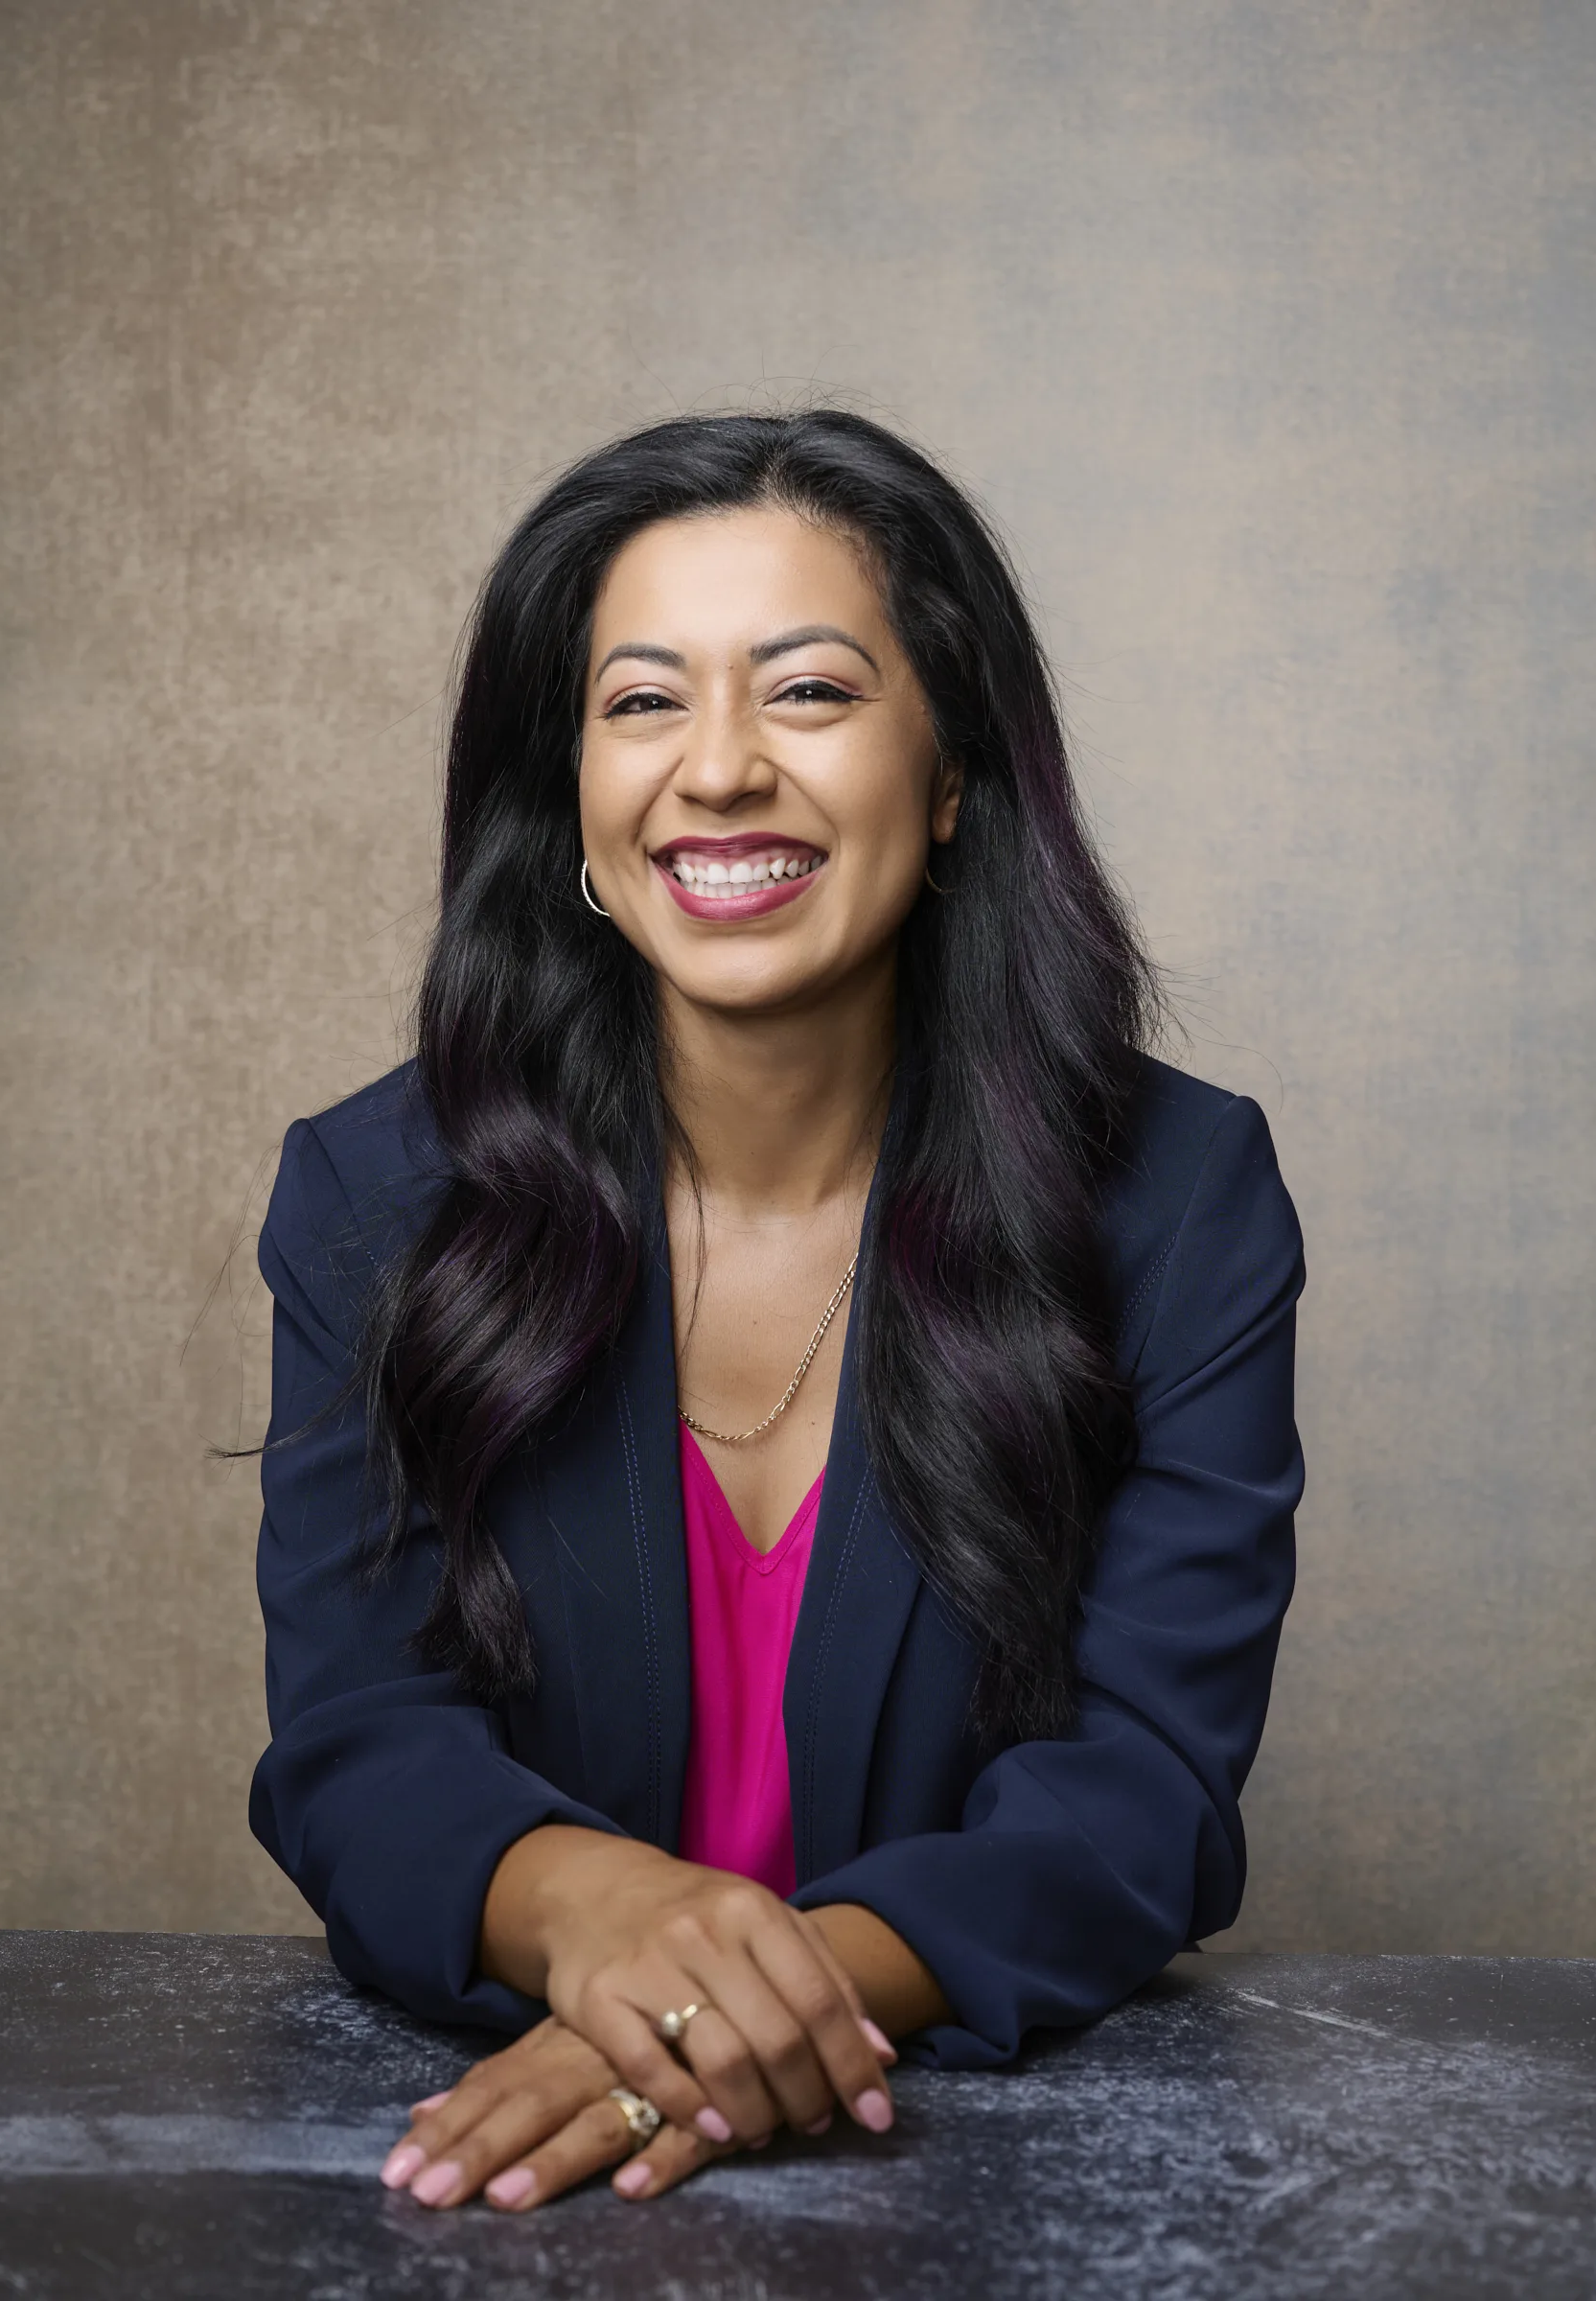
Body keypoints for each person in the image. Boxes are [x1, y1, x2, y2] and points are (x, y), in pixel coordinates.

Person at [248, 409, 1306, 2216]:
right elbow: (358, 1742)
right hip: (506, 2173)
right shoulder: (376, 1196)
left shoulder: (1180, 1198)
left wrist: (707, 2019)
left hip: (967, 2175)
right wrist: (604, 1914)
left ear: (954, 772)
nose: (719, 769)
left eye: (808, 693)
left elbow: (1139, 1799)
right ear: (570, 791)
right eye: (642, 702)